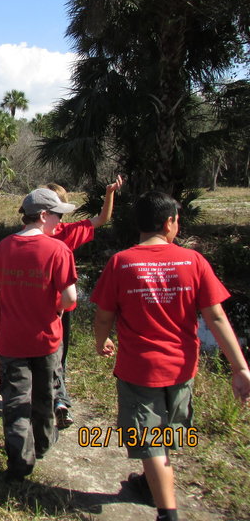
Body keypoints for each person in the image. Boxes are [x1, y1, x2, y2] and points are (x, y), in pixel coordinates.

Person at [91, 191, 250, 521]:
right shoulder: (193, 262)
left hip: (138, 369)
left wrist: (101, 340)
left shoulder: (121, 262)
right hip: (181, 368)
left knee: (149, 438)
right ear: (169, 223)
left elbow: (104, 315)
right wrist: (239, 367)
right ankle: (152, 486)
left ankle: (167, 512)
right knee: (167, 432)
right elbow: (216, 318)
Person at [0, 188, 78, 481]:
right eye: (58, 215)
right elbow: (71, 298)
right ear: (44, 216)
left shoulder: (5, 247)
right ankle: (44, 444)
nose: (60, 222)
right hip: (46, 339)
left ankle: (20, 463)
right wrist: (58, 310)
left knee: (15, 400)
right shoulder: (58, 250)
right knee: (45, 395)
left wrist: (2, 316)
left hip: (11, 340)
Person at [45, 175, 124, 429]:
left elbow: (101, 220)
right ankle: (59, 399)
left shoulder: (33, 234)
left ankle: (46, 398)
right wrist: (109, 194)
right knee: (60, 354)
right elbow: (102, 219)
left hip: (36, 302)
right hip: (62, 305)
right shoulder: (69, 232)